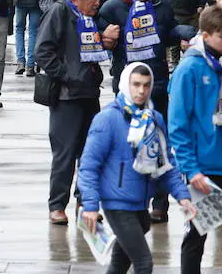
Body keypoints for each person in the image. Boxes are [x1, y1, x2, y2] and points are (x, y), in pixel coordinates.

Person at [78, 62, 196, 274]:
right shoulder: (107, 119)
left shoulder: (154, 119)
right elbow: (88, 166)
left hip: (140, 205)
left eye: (146, 85)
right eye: (136, 85)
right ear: (125, 84)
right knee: (144, 263)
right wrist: (90, 205)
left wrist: (183, 196)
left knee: (119, 265)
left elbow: (166, 163)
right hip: (117, 204)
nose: (141, 91)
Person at [169, 6, 222, 274]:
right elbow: (178, 125)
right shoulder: (190, 70)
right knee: (197, 235)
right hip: (203, 169)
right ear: (205, 36)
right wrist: (190, 169)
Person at [98, 0, 186, 222]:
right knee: (128, 146)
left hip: (156, 84)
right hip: (126, 86)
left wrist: (182, 34)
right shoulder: (113, 8)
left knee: (159, 145)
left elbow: (169, 32)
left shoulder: (163, 5)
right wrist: (105, 36)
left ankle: (160, 205)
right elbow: (96, 32)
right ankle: (130, 199)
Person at [35, 0, 119, 225]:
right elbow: (42, 52)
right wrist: (67, 76)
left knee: (90, 152)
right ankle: (57, 205)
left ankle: (85, 202)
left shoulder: (87, 16)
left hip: (89, 91)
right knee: (65, 153)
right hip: (67, 96)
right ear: (76, 0)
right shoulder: (59, 13)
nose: (98, 2)